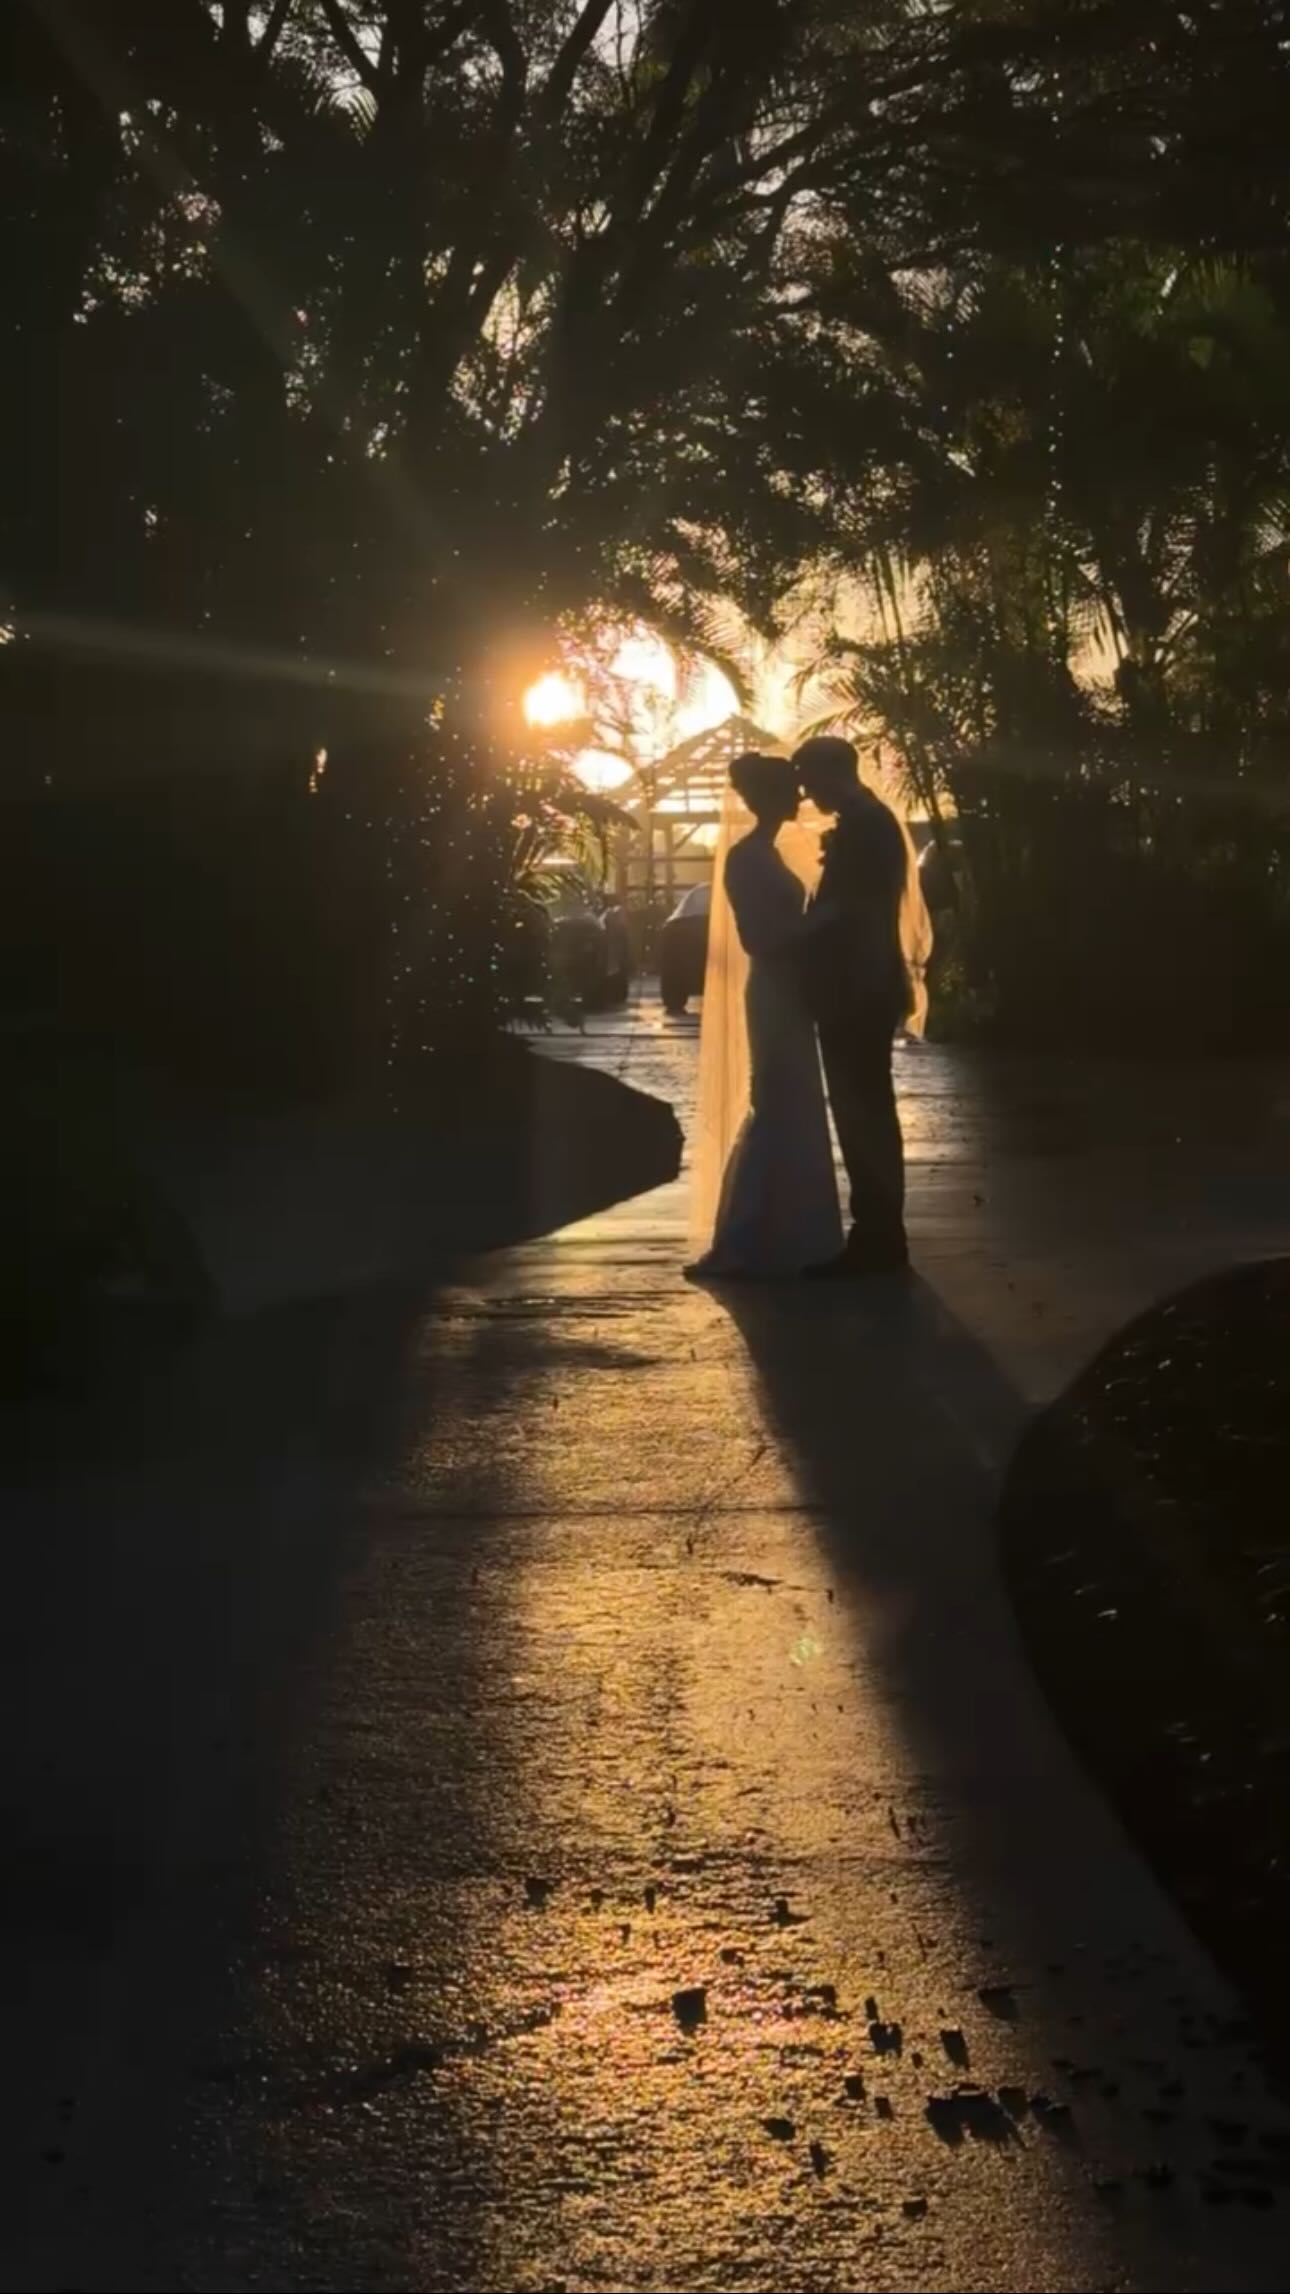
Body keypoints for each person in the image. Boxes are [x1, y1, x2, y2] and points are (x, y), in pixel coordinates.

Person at [685, 753, 842, 1279]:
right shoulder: (746, 858)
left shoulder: (766, 853)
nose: (800, 799)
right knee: (773, 1102)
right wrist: (822, 922)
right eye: (789, 791)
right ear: (765, 798)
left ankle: (785, 1229)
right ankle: (742, 1236)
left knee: (792, 1103)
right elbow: (758, 937)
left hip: (790, 990)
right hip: (773, 990)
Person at [792, 734, 927, 1278]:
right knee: (865, 1108)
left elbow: (848, 909)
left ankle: (878, 1237)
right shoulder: (870, 822)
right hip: (862, 985)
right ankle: (877, 1232)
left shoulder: (865, 828)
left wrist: (790, 937)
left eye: (809, 782)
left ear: (831, 774)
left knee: (862, 1110)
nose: (806, 795)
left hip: (856, 987)